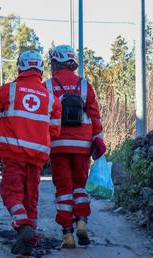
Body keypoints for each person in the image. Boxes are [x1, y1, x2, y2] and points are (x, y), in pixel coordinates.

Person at [0, 50, 62, 256]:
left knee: (11, 193)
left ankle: (22, 225)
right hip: (37, 156)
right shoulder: (52, 99)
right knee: (31, 197)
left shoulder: (10, 90)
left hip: (12, 152)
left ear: (20, 67)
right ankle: (29, 236)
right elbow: (54, 131)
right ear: (40, 69)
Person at [44, 45, 106, 248]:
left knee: (63, 189)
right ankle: (81, 221)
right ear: (72, 63)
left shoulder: (48, 86)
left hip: (58, 144)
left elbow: (42, 118)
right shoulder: (85, 85)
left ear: (55, 63)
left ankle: (67, 234)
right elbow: (94, 115)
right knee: (79, 185)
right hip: (82, 144)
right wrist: (98, 139)